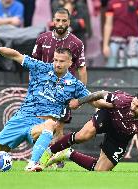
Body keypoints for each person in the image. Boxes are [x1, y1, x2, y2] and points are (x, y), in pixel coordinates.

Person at [0, 35, 90, 172]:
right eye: (55, 60)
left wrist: (108, 99)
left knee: (50, 124)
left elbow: (93, 100)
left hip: (40, 124)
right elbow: (16, 56)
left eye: (61, 61)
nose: (57, 64)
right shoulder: (40, 67)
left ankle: (32, 163)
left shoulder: (75, 85)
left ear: (70, 63)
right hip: (21, 118)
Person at [39, 89, 138, 173]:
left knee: (100, 170)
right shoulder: (123, 100)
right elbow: (100, 94)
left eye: (137, 107)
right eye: (133, 103)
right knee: (84, 136)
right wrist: (79, 101)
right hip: (108, 116)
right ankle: (48, 153)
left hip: (121, 135)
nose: (132, 107)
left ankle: (67, 154)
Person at [32, 8, 87, 157]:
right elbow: (33, 66)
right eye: (58, 20)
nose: (61, 23)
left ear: (69, 22)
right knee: (41, 127)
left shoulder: (77, 43)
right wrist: (33, 88)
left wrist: (80, 98)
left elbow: (82, 69)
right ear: (53, 21)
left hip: (65, 92)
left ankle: (57, 159)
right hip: (43, 91)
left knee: (58, 128)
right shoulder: (42, 39)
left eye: (64, 21)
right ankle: (39, 158)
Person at [103, 0, 138, 68]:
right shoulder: (112, 3)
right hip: (115, 42)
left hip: (133, 42)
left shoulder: (137, 2)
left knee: (135, 69)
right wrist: (105, 45)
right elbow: (108, 24)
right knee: (112, 68)